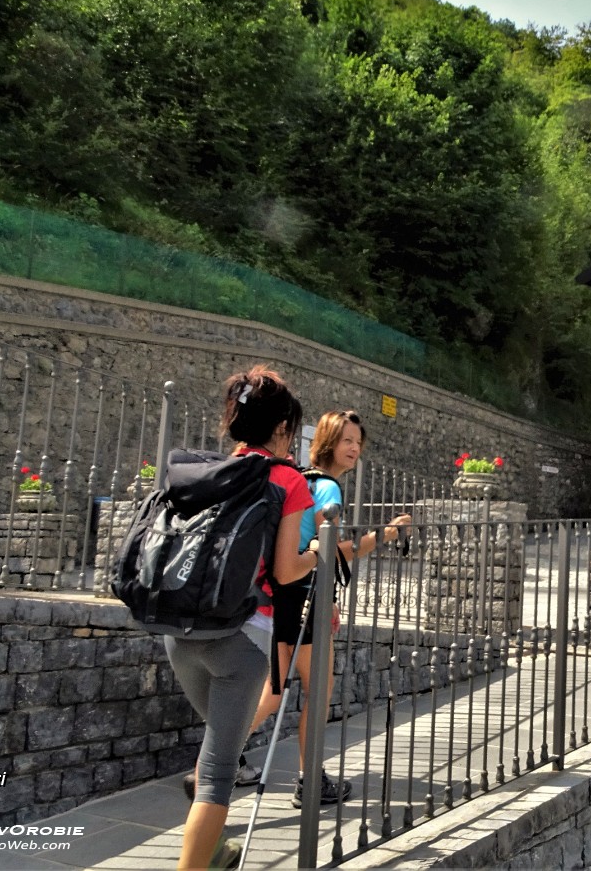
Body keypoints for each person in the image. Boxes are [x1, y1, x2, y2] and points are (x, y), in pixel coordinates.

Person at [169, 366, 318, 871]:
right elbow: (285, 569)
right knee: (216, 775)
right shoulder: (287, 480)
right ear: (281, 429)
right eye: (292, 429)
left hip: (181, 629)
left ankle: (212, 853)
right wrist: (318, 552)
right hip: (243, 639)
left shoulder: (207, 470)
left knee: (218, 745)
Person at [248, 409, 411, 808]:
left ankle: (218, 760)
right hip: (304, 594)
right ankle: (308, 780)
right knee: (316, 690)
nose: (354, 448)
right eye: (346, 441)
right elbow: (333, 552)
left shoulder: (299, 479)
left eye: (358, 441)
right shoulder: (329, 490)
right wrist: (384, 535)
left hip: (282, 593)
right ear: (327, 443)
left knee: (276, 687)